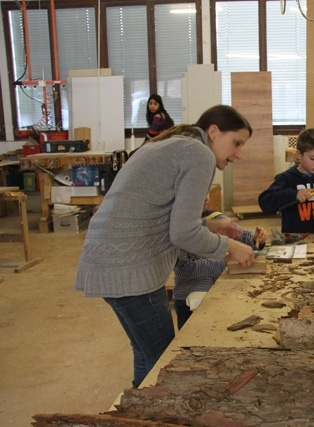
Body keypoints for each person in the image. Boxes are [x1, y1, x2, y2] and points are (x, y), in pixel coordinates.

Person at [74, 105, 255, 388]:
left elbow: (165, 220)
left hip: (106, 262)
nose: (239, 154)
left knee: (146, 353)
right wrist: (231, 247)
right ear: (214, 132)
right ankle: (149, 408)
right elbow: (183, 234)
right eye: (236, 143)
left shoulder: (170, 144)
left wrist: (211, 226)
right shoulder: (199, 153)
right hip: (131, 269)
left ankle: (138, 406)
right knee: (163, 364)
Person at [173, 195, 268, 330]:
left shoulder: (216, 218)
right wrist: (222, 262)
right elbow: (184, 269)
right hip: (189, 300)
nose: (205, 197)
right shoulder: (179, 229)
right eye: (200, 192)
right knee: (190, 336)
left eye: (207, 192)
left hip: (217, 294)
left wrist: (256, 237)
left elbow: (241, 234)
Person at [258, 128, 314, 234]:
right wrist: (294, 195)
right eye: (313, 158)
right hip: (294, 237)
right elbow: (265, 202)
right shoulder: (287, 178)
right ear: (299, 155)